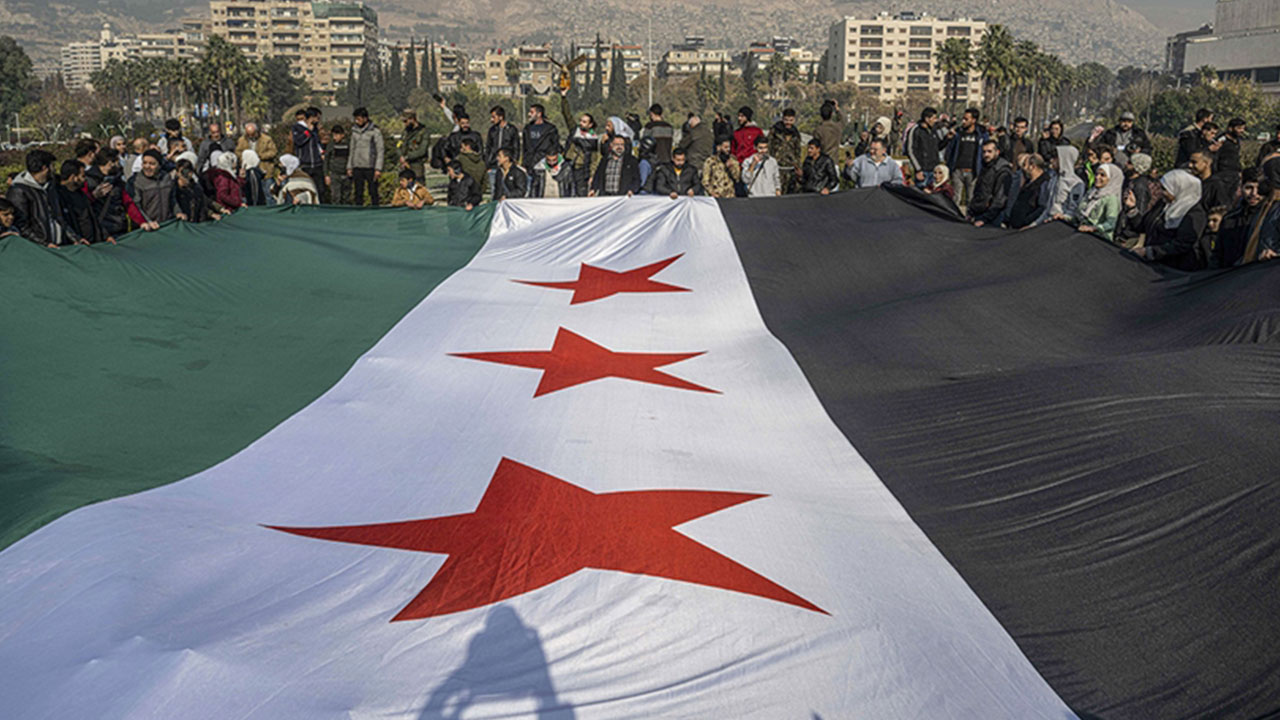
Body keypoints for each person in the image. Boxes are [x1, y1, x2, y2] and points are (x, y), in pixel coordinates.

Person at [1132, 169, 1206, 269]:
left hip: (1173, 270)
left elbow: (1183, 244)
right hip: (1152, 265)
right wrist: (1132, 209)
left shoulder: (1194, 214)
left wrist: (1151, 251)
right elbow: (1144, 226)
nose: (1161, 192)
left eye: (1165, 189)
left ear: (1179, 189)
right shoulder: (1163, 205)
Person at [1215, 168, 1269, 267]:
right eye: (1249, 188)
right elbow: (1218, 255)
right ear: (1242, 187)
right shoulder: (1230, 219)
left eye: (1259, 189)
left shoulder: (1271, 218)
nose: (1254, 194)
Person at [944, 108, 988, 207]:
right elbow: (949, 150)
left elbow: (986, 150)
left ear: (973, 120)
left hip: (973, 171)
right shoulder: (958, 133)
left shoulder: (980, 134)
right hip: (957, 170)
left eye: (966, 119)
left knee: (971, 199)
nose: (963, 121)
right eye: (963, 118)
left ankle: (968, 219)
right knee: (955, 198)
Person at [127, 149, 183, 225]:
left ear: (159, 165)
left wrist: (178, 212)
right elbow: (136, 207)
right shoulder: (136, 181)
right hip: (148, 226)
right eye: (144, 163)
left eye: (152, 164)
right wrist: (147, 222)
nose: (147, 166)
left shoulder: (167, 178)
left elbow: (172, 199)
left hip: (167, 223)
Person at [55, 160, 103, 244]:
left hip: (91, 242)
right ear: (73, 177)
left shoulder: (81, 194)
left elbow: (93, 218)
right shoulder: (58, 197)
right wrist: (76, 239)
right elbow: (62, 222)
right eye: (83, 176)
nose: (85, 180)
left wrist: (105, 235)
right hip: (75, 245)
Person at [970, 140, 1015, 228]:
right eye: (984, 152)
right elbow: (979, 190)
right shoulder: (985, 167)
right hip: (979, 212)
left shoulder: (1002, 170)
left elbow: (1000, 199)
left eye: (989, 151)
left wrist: (985, 218)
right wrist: (971, 211)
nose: (986, 155)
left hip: (991, 217)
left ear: (997, 152)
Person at [1073, 163, 1123, 240]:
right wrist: (1065, 217)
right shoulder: (1092, 193)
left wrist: (1093, 228)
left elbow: (1110, 224)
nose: (1097, 177)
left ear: (1111, 178)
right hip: (1083, 235)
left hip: (1098, 240)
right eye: (1097, 174)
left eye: (1102, 175)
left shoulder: (1111, 199)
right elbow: (1079, 215)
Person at [346, 107, 384, 206]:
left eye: (359, 119)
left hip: (370, 166)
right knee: (358, 192)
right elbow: (352, 149)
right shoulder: (354, 131)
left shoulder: (375, 132)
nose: (357, 121)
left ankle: (375, 211)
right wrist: (349, 166)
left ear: (365, 118)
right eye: (356, 119)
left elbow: (380, 150)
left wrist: (378, 168)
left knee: (373, 191)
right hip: (357, 166)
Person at [1041, 145, 1085, 225]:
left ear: (1064, 160)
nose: (1051, 161)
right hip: (1046, 221)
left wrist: (1063, 217)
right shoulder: (1054, 179)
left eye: (1055, 158)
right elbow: (1047, 209)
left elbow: (1073, 211)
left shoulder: (1076, 183)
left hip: (1061, 224)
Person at [1007, 154, 1051, 229]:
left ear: (1032, 166)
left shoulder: (1044, 183)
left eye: (1025, 165)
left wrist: (1027, 221)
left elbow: (1042, 207)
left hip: (1028, 228)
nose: (1023, 168)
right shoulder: (1028, 182)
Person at [293, 107, 326, 201]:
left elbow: (317, 143)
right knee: (306, 189)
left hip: (317, 164)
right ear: (312, 117)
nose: (318, 121)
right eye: (317, 118)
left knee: (320, 190)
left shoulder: (315, 130)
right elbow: (299, 142)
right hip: (305, 165)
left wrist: (321, 153)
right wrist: (308, 132)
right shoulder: (298, 128)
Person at [769, 108, 803, 195]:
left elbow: (798, 151)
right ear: (782, 119)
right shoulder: (775, 131)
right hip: (777, 167)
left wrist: (798, 167)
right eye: (786, 120)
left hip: (791, 168)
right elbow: (769, 146)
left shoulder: (795, 134)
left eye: (791, 120)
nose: (788, 123)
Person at [489, 105, 523, 188]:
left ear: (501, 117)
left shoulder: (511, 129)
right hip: (494, 165)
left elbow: (516, 147)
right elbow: (489, 147)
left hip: (507, 165)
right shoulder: (492, 130)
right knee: (495, 189)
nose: (492, 120)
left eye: (494, 117)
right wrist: (488, 163)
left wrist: (514, 160)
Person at [907, 108, 941, 187]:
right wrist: (918, 169)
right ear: (926, 119)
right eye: (934, 118)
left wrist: (947, 139)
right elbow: (910, 151)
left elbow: (938, 147)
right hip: (922, 171)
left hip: (934, 170)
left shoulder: (933, 130)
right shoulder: (915, 130)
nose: (935, 121)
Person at [522, 103, 560, 175]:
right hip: (529, 165)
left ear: (539, 114)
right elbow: (524, 147)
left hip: (544, 164)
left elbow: (555, 146)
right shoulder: (527, 129)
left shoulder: (550, 129)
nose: (529, 114)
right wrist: (524, 163)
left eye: (532, 112)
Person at [1215, 118, 1247, 194]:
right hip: (1223, 174)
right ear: (1230, 128)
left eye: (1243, 128)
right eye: (1239, 128)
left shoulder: (1237, 140)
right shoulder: (1221, 140)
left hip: (1234, 174)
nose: (1241, 131)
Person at [398, 110, 430, 182]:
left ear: (412, 119)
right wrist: (401, 156)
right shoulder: (405, 132)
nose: (405, 124)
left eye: (406, 121)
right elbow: (398, 145)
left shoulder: (423, 132)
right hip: (404, 165)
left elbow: (422, 151)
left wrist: (407, 157)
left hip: (416, 165)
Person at [324, 125, 350, 205]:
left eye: (336, 135)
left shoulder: (348, 144)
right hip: (334, 175)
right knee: (335, 197)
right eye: (333, 135)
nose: (335, 137)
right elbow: (326, 160)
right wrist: (326, 175)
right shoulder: (331, 145)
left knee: (346, 197)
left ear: (342, 135)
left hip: (346, 175)